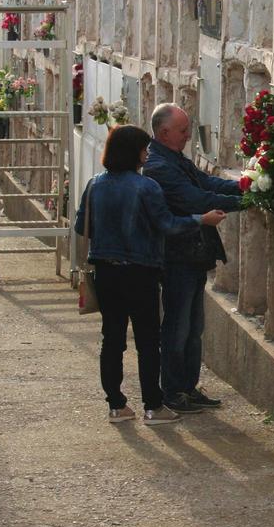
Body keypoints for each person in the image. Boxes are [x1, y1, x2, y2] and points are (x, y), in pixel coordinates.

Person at [75, 125, 227, 426]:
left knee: (112, 339)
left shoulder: (95, 185)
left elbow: (82, 227)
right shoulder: (146, 187)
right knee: (147, 340)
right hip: (140, 271)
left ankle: (116, 405)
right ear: (134, 152)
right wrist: (202, 219)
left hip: (106, 271)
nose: (147, 155)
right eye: (144, 149)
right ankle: (153, 406)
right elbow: (167, 224)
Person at [143, 103, 243, 414]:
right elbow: (196, 199)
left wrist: (244, 186)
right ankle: (173, 391)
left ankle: (187, 386)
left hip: (193, 255)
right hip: (177, 256)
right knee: (178, 326)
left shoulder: (173, 158)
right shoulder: (158, 166)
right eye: (183, 131)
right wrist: (245, 202)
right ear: (164, 133)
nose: (189, 136)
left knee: (194, 325)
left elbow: (205, 182)